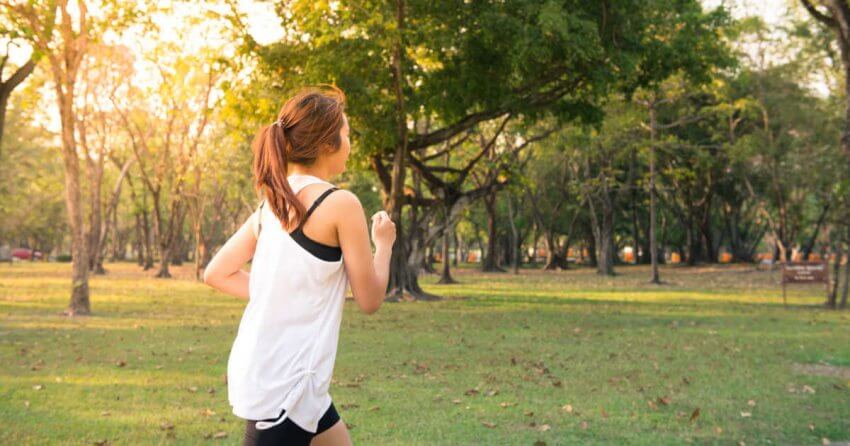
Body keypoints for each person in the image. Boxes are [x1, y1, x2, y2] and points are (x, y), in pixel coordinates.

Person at [203, 84, 396, 445]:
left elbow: (216, 273)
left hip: (289, 378)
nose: (350, 144)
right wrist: (383, 245)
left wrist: (279, 294)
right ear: (327, 143)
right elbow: (370, 299)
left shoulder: (270, 206)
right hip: (284, 387)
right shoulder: (341, 204)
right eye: (346, 134)